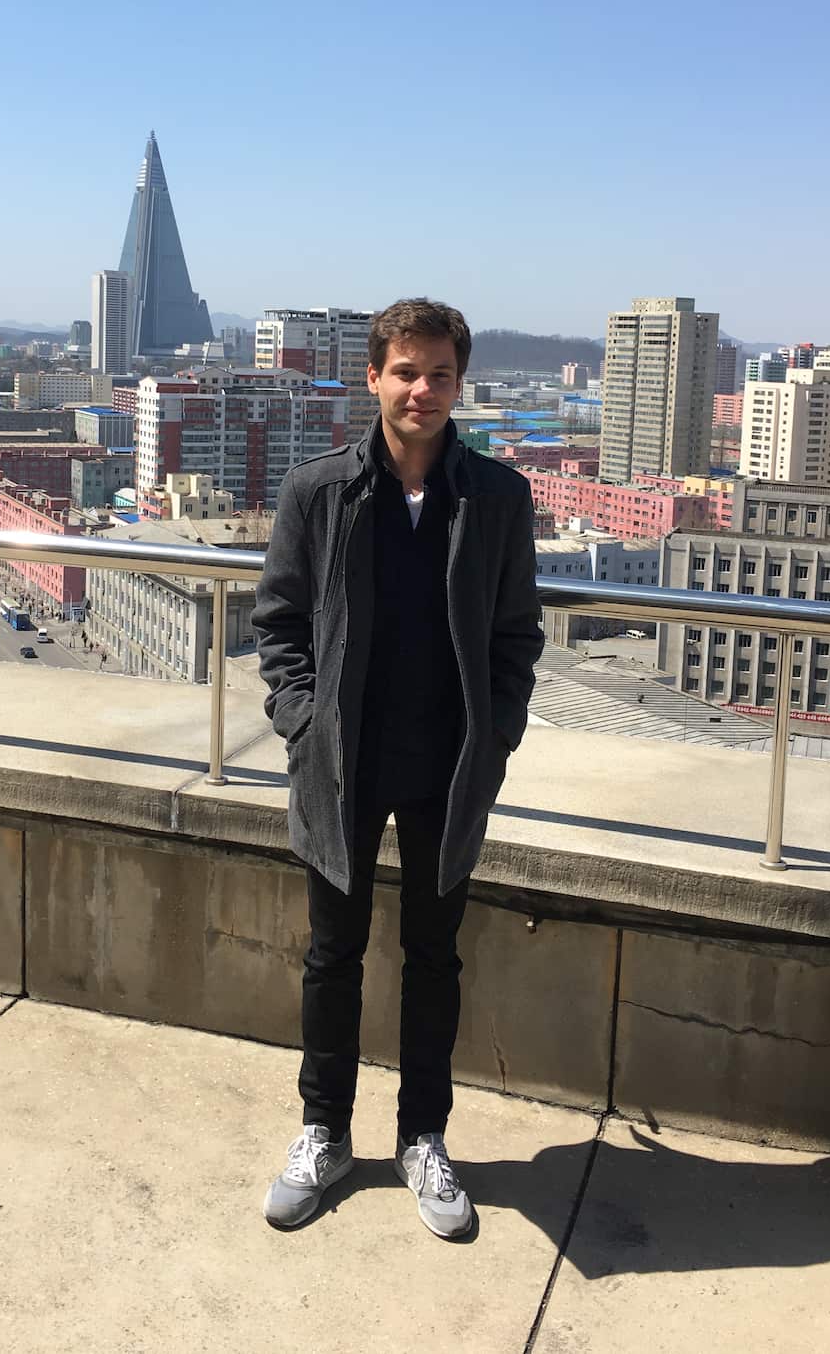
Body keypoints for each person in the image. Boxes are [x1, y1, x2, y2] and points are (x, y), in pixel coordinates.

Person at [252, 298, 542, 1239]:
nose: (423, 389)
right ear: (373, 376)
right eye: (406, 371)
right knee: (331, 954)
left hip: (448, 769)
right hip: (342, 764)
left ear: (461, 383)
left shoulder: (497, 498)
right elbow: (280, 626)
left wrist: (495, 738)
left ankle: (424, 1136)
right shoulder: (318, 491)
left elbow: (514, 637)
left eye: (441, 374)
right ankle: (323, 1129)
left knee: (433, 957)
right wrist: (302, 723)